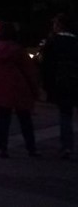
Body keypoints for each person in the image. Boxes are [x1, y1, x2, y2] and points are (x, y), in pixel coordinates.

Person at [0, 21, 40, 158]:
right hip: (19, 88)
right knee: (25, 119)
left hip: (0, 88)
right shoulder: (17, 49)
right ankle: (31, 148)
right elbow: (29, 71)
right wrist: (35, 88)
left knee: (2, 119)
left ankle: (2, 148)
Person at [39, 12, 78, 159]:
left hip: (61, 81)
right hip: (74, 79)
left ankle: (66, 146)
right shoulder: (75, 41)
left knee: (65, 114)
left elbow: (46, 65)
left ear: (59, 25)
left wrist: (46, 84)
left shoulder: (53, 41)